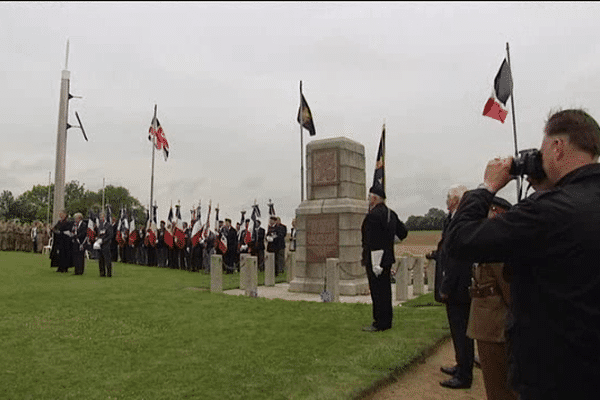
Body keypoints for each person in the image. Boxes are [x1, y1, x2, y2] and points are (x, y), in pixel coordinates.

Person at [447, 109, 600, 399]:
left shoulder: (549, 211)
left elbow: (461, 240)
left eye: (543, 150)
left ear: (557, 148)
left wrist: (487, 186)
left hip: (557, 375)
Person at [466, 196, 517, 400]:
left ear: (496, 212)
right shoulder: (490, 243)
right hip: (486, 325)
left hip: (496, 327)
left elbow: (509, 292)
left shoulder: (500, 247)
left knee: (501, 388)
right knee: (494, 384)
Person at [435, 184, 475, 389]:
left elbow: (457, 259)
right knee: (458, 330)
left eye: (449, 197)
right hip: (455, 284)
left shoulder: (462, 221)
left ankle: (464, 375)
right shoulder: (452, 218)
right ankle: (461, 365)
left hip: (458, 287)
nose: (447, 200)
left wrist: (446, 287)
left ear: (456, 200)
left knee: (462, 331)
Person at [361, 184, 408, 332]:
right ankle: (387, 320)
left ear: (374, 198)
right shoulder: (390, 214)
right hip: (387, 258)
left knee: (377, 292)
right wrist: (390, 242)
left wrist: (374, 261)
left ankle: (379, 322)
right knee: (386, 291)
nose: (369, 200)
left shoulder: (372, 216)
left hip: (375, 259)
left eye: (370, 197)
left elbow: (369, 240)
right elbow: (403, 232)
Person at [96, 212, 113, 277]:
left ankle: (109, 273)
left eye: (102, 217)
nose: (101, 218)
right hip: (100, 245)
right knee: (100, 259)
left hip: (106, 245)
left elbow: (110, 235)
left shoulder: (108, 225)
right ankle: (102, 273)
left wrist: (103, 241)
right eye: (100, 217)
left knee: (107, 259)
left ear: (104, 217)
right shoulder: (100, 225)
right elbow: (99, 234)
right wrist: (97, 239)